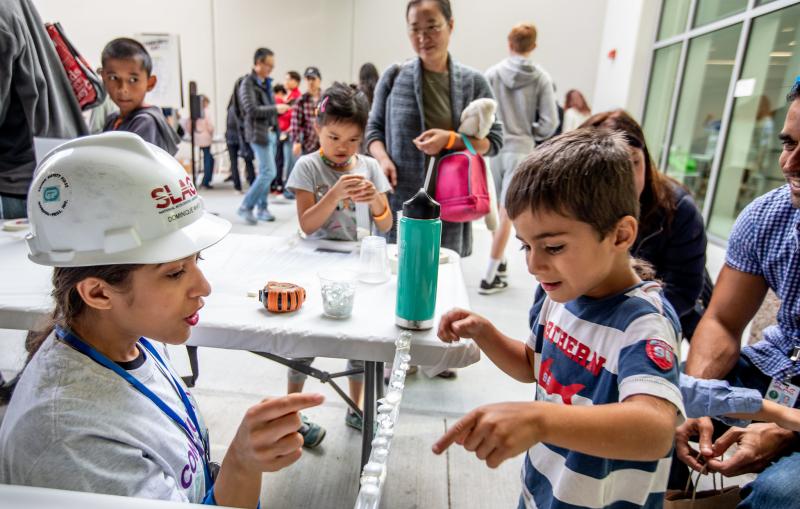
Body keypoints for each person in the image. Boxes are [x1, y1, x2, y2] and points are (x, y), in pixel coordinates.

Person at [0, 132, 324, 507]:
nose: (203, 287)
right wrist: (240, 464)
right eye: (174, 273)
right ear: (99, 293)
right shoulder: (70, 441)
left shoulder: (130, 339)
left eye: (196, 262)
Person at [432, 129, 685, 509]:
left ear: (620, 234)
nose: (534, 264)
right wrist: (485, 333)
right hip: (544, 490)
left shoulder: (643, 324)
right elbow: (532, 367)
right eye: (525, 246)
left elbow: (655, 429)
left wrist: (540, 420)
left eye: (553, 246)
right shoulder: (558, 294)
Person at [673, 78, 800, 508]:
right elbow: (723, 321)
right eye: (788, 143)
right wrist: (697, 403)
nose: (791, 163)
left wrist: (785, 431)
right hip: (777, 371)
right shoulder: (769, 216)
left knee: (780, 494)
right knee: (656, 411)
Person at [283, 83, 391, 444]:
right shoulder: (308, 167)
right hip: (312, 262)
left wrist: (375, 199)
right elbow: (306, 224)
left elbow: (387, 223)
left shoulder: (371, 167)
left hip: (357, 262)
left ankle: (356, 407)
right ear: (317, 129)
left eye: (352, 140)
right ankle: (293, 411)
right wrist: (334, 193)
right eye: (333, 137)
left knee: (359, 338)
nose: (342, 148)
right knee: (304, 338)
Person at [366, 0, 503, 257]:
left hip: (451, 204)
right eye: (414, 29)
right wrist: (382, 159)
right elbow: (373, 130)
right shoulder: (394, 76)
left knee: (441, 278)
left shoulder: (474, 82)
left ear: (451, 26)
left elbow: (494, 142)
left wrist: (451, 139)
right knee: (395, 272)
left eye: (432, 27)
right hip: (399, 198)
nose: (422, 38)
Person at [580, 110, 709, 340]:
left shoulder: (679, 209)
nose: (625, 178)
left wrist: (623, 323)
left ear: (646, 159)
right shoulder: (573, 207)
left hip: (654, 323)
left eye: (634, 162)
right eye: (609, 168)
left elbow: (683, 290)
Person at [480, 22, 557, 294]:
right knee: (506, 214)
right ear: (533, 46)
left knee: (497, 211)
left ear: (509, 43)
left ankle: (498, 264)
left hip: (494, 148)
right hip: (521, 149)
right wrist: (529, 132)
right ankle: (489, 275)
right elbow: (550, 122)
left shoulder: (491, 74)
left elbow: (482, 113)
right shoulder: (541, 78)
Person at [236, 47, 290, 225]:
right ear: (258, 63)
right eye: (269, 65)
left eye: (273, 66)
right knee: (269, 172)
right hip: (258, 134)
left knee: (265, 172)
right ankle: (246, 206)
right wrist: (276, 109)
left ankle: (262, 208)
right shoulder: (247, 83)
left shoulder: (266, 83)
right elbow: (251, 110)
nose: (271, 69)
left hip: (271, 133)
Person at [100, 38, 180, 156]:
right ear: (104, 78)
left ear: (150, 83)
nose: (123, 89)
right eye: (113, 78)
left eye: (133, 80)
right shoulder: (112, 119)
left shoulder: (145, 121)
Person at [225, 75, 256, 192]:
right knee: (248, 160)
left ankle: (238, 186)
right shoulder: (242, 105)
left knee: (235, 162)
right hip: (240, 136)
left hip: (232, 136)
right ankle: (252, 184)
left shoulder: (231, 105)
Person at [290, 66, 323, 160]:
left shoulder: (326, 98)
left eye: (313, 78)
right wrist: (296, 142)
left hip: (325, 143)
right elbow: (295, 123)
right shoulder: (301, 101)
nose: (310, 82)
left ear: (319, 80)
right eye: (308, 79)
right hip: (308, 144)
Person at [195, 95, 215, 189]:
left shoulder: (196, 112)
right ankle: (206, 181)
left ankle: (205, 181)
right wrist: (212, 133)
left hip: (198, 138)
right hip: (206, 138)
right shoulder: (206, 112)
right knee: (208, 159)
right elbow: (210, 126)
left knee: (208, 158)